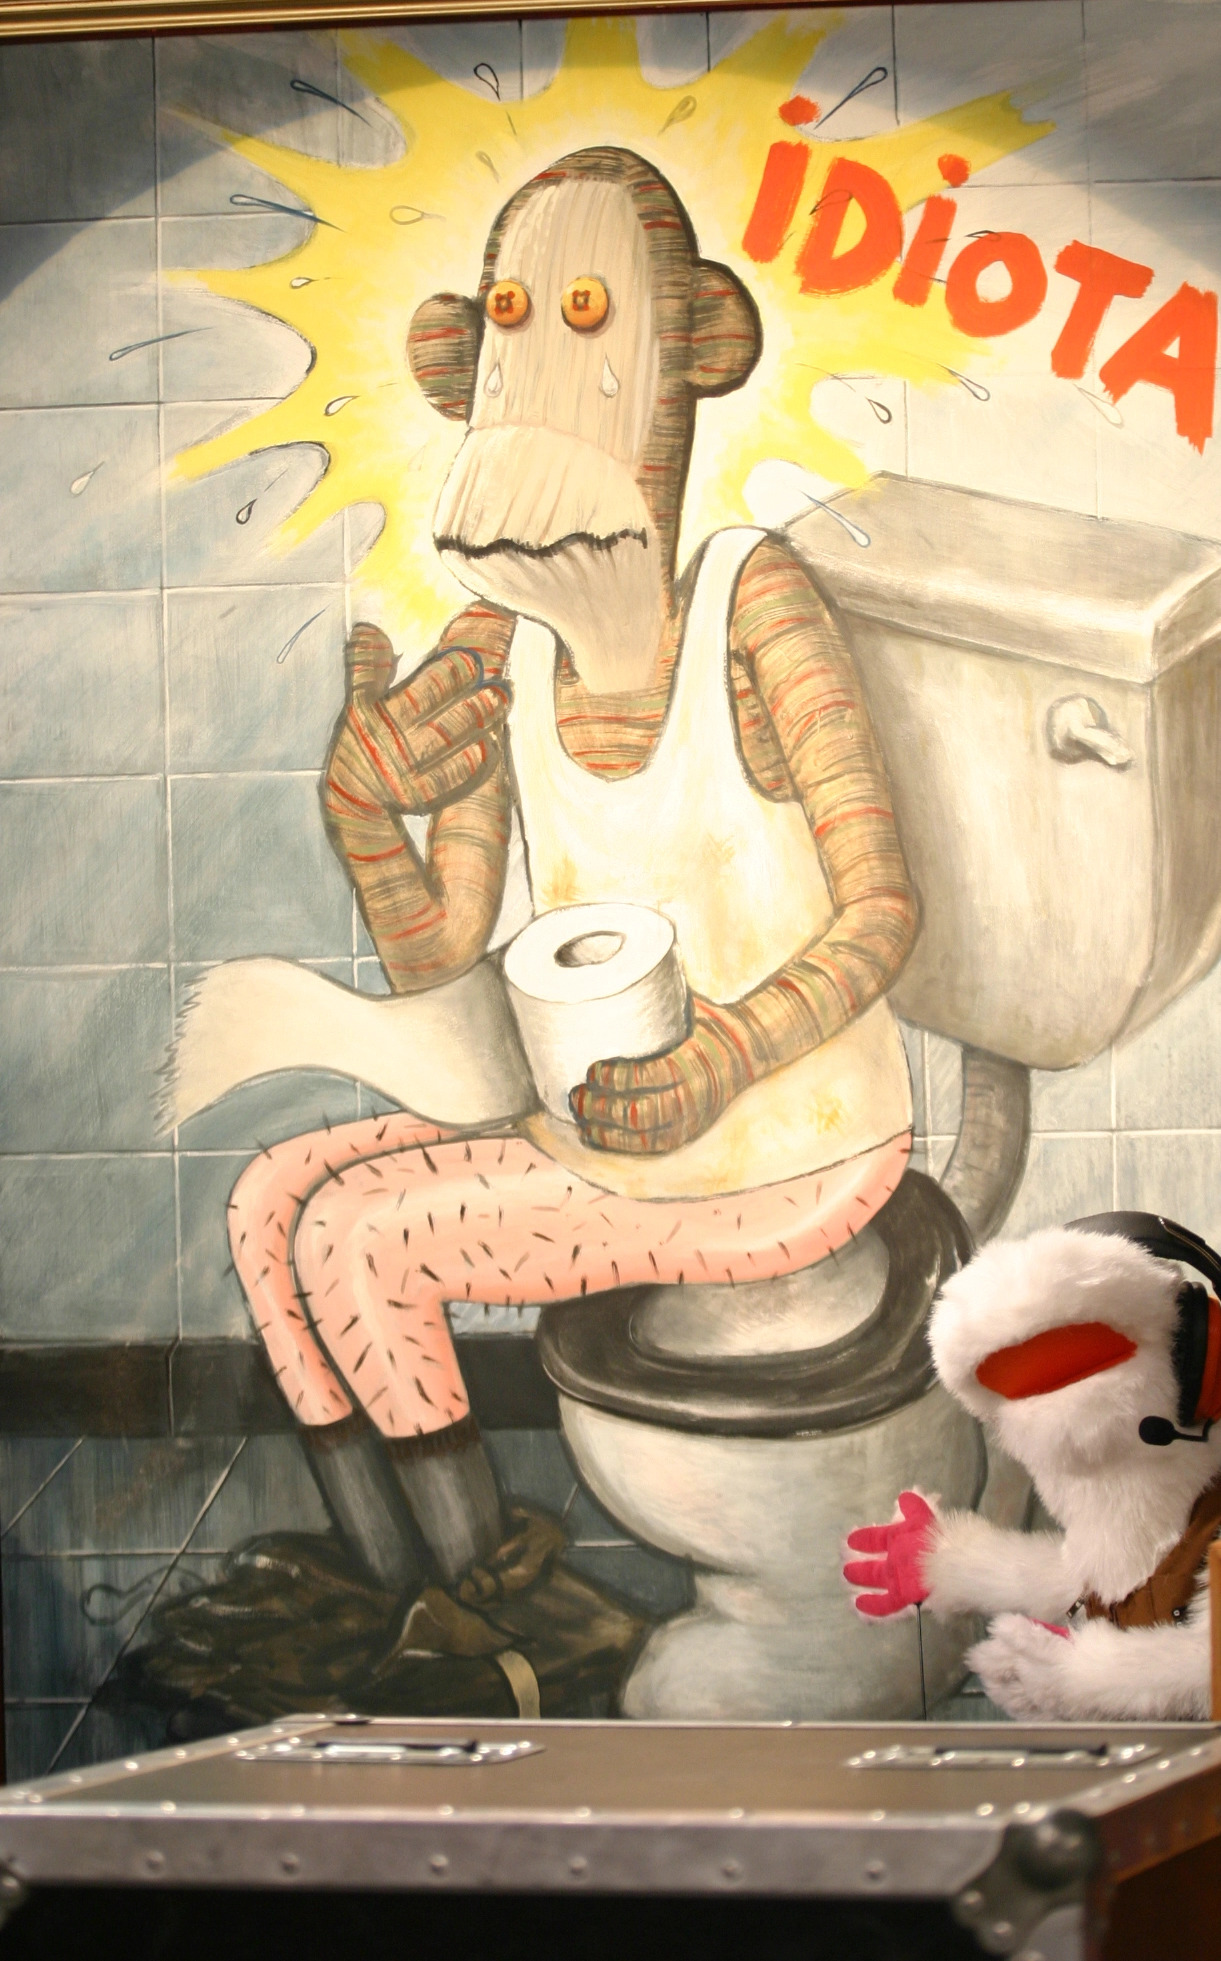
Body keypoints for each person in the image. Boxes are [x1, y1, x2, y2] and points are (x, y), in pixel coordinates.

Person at [229, 146, 918, 1592]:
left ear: (697, 347)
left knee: (358, 1238)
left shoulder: (751, 604)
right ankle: (387, 1579)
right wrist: (364, 815)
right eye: (514, 321)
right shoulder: (500, 639)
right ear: (460, 362)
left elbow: (882, 911)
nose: (545, 365)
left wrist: (723, 1057)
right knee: (267, 1201)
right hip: (610, 1131)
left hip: (797, 1145)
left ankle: (485, 1601)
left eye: (590, 317)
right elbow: (441, 958)